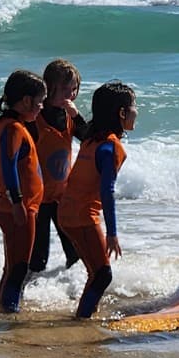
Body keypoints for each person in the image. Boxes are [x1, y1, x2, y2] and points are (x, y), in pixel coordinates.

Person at [58, 81, 138, 319]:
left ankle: (85, 312)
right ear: (122, 113)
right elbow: (107, 192)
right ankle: (81, 320)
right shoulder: (109, 147)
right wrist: (112, 234)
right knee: (102, 274)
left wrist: (75, 114)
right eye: (134, 107)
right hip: (81, 216)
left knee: (96, 272)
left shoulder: (93, 138)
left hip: (68, 212)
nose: (137, 112)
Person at [0, 70, 46, 312]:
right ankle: (8, 314)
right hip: (18, 208)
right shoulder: (13, 127)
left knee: (14, 266)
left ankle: (6, 308)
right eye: (39, 101)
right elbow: (8, 163)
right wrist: (17, 202)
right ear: (26, 101)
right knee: (18, 268)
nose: (41, 107)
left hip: (19, 206)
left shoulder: (12, 124)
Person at [29, 59, 89, 273]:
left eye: (74, 89)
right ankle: (31, 297)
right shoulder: (36, 116)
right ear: (49, 87)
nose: (71, 94)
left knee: (75, 251)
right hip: (38, 198)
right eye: (65, 88)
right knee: (38, 257)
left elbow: (88, 138)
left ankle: (70, 291)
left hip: (63, 196)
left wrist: (76, 115)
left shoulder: (68, 115)